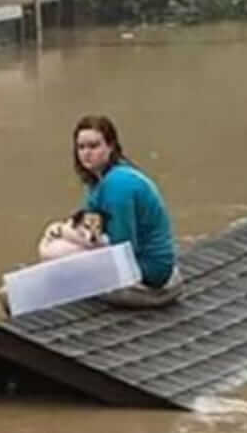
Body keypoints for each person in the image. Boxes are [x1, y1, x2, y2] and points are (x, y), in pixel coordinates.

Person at [70, 114, 182, 307]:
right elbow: (89, 223)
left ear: (111, 146)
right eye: (81, 147)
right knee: (59, 244)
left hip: (150, 272)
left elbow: (124, 248)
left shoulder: (118, 184)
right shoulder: (97, 182)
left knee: (59, 252)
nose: (86, 153)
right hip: (141, 262)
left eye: (94, 146)